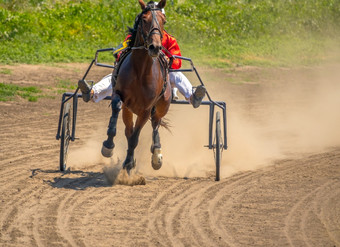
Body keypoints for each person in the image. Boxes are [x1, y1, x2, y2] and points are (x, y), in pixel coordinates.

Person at [78, 3, 206, 108]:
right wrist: (121, 55)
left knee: (177, 75)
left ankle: (193, 97)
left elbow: (178, 61)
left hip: (162, 75)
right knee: (115, 76)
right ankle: (92, 92)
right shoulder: (134, 37)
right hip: (135, 74)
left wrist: (169, 60)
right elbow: (119, 50)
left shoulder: (169, 40)